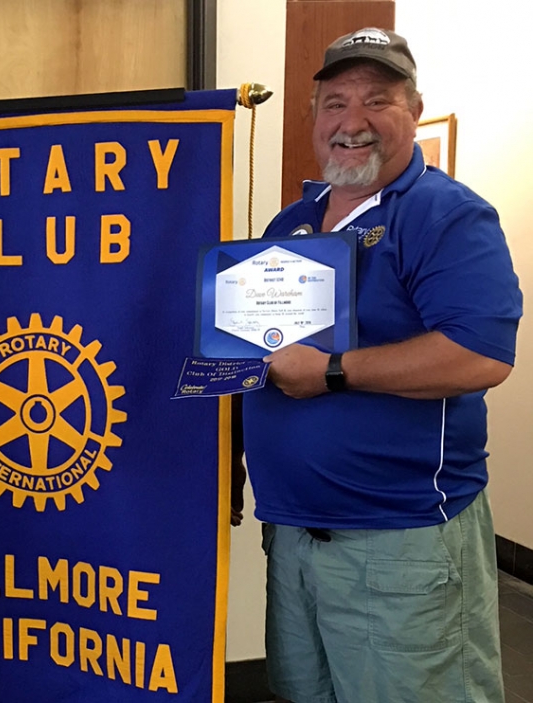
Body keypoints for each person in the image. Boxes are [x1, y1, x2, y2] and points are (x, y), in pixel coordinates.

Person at [242, 27, 522, 703]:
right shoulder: (293, 222)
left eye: (378, 100)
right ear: (313, 120)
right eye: (335, 102)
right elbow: (263, 352)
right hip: (294, 536)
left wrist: (332, 371)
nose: (353, 121)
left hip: (399, 545)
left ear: (414, 111)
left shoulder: (446, 215)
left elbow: (480, 353)